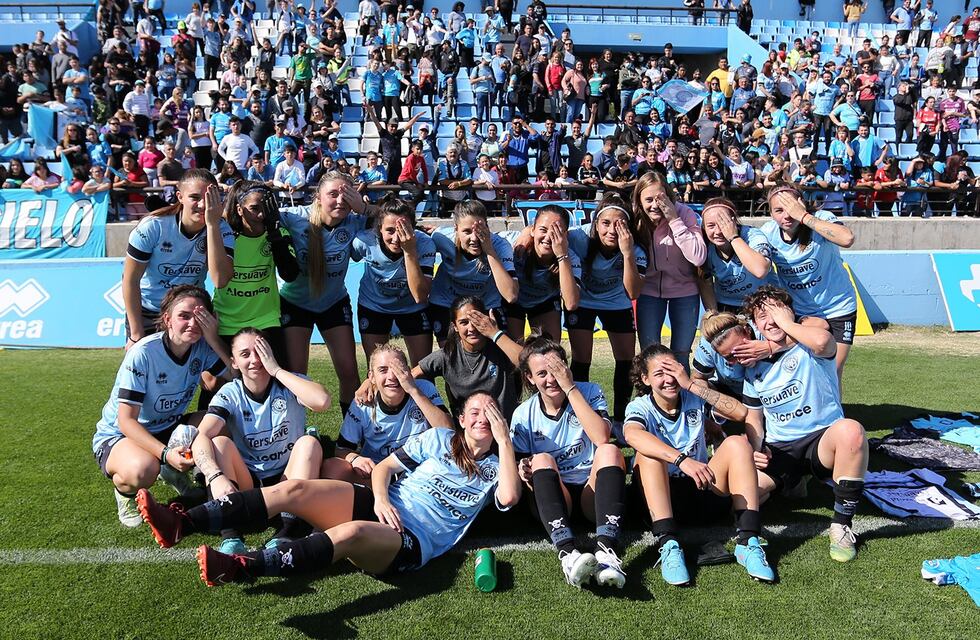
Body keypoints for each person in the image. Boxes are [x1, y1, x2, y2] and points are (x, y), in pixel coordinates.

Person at [137, 393, 521, 585]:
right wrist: (383, 498)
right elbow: (385, 468)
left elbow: (508, 497)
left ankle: (244, 566)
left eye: (490, 413)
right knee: (298, 489)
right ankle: (181, 523)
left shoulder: (498, 466)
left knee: (350, 533)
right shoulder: (439, 438)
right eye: (474, 411)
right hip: (385, 505)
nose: (481, 418)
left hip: (411, 537)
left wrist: (505, 443)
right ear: (461, 418)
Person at [706, 287, 868, 563]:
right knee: (740, 491)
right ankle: (789, 485)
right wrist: (757, 449)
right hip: (782, 449)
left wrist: (783, 327)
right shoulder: (753, 367)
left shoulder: (808, 340)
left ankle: (841, 525)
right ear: (753, 325)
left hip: (823, 441)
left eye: (774, 312)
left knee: (851, 431)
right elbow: (754, 416)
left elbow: (823, 341)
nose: (769, 321)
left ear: (789, 311)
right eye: (761, 316)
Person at [624, 343, 775, 585]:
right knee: (648, 454)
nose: (668, 380)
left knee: (737, 443)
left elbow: (740, 413)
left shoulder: (691, 395)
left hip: (702, 490)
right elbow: (632, 435)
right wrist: (682, 460)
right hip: (662, 501)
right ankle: (669, 544)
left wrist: (691, 384)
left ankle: (748, 541)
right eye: (659, 374)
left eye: (672, 370)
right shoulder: (640, 406)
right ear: (645, 378)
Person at [93, 285, 230, 527]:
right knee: (143, 470)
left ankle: (173, 472)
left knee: (223, 426)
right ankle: (124, 492)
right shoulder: (143, 353)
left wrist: (214, 338)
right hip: (121, 434)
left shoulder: (201, 348)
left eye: (199, 317)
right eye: (184, 316)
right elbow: (126, 421)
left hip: (169, 426)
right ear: (167, 319)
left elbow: (236, 375)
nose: (192, 323)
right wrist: (166, 454)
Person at [192, 328, 331, 554]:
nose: (254, 360)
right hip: (249, 483)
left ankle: (288, 530)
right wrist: (214, 476)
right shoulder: (231, 392)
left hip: (287, 480)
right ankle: (231, 535)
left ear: (270, 353)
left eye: (259, 351)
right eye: (245, 354)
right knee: (219, 443)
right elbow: (203, 435)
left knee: (310, 443)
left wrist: (276, 370)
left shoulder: (289, 382)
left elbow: (322, 401)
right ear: (234, 362)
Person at [511, 337, 628, 588]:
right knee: (541, 459)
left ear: (566, 367)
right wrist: (522, 469)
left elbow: (601, 436)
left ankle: (606, 551)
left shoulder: (590, 391)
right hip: (555, 498)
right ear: (530, 378)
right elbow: (519, 463)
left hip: (592, 493)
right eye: (542, 373)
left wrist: (570, 388)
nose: (551, 379)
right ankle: (567, 553)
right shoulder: (523, 413)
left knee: (610, 451)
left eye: (555, 370)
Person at [277, 171, 369, 418]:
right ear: (317, 197)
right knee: (297, 374)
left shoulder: (355, 221)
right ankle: (294, 432)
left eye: (346, 194)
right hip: (294, 304)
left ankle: (353, 432)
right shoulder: (295, 217)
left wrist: (365, 208)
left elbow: (393, 216)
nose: (340, 200)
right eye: (333, 194)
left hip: (334, 303)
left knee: (349, 370)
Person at [122, 169, 234, 348]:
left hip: (191, 313)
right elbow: (130, 279)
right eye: (195, 197)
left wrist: (212, 225)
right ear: (180, 197)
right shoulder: (153, 226)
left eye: (209, 197)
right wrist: (136, 333)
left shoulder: (222, 229)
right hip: (149, 311)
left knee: (210, 375)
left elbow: (220, 280)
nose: (203, 205)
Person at [760, 184, 857, 385]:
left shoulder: (822, 218)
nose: (786, 215)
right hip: (802, 310)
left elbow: (847, 238)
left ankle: (836, 415)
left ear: (801, 204)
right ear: (770, 213)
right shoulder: (768, 233)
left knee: (834, 369)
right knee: (804, 366)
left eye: (791, 208)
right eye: (778, 210)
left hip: (839, 307)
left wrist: (804, 216)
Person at [566, 194, 647, 431]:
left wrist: (628, 253)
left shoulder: (636, 248)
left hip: (616, 301)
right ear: (595, 224)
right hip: (583, 300)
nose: (612, 230)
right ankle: (580, 420)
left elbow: (632, 292)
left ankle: (620, 419)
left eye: (620, 224)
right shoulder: (578, 237)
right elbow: (543, 227)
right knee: (582, 359)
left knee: (626, 360)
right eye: (606, 223)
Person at [329, 343, 450, 483]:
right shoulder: (363, 403)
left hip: (419, 474)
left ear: (408, 372)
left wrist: (413, 391)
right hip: (376, 474)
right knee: (332, 468)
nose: (392, 376)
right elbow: (341, 450)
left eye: (398, 369)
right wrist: (355, 459)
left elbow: (448, 432)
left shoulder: (424, 389)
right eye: (383, 370)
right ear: (371, 377)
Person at [212, 180, 298, 365]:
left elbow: (290, 274)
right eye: (254, 208)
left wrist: (275, 235)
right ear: (240, 209)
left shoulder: (278, 234)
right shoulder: (226, 237)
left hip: (266, 321)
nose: (261, 214)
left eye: (266, 207)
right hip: (227, 322)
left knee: (278, 385)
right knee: (216, 386)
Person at [632, 171, 706, 370]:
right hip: (648, 292)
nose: (655, 205)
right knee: (649, 353)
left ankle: (683, 399)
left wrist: (674, 219)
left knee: (681, 353)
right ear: (639, 200)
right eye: (648, 200)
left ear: (669, 196)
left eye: (660, 198)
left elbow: (698, 256)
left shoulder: (684, 213)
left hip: (685, 291)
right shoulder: (635, 219)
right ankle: (648, 399)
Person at [351, 198, 436, 366]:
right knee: (377, 370)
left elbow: (420, 296)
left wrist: (410, 251)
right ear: (379, 229)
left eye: (403, 229)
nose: (397, 238)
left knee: (423, 370)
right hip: (374, 305)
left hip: (413, 306)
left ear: (413, 227)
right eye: (390, 230)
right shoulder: (363, 241)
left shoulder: (424, 243)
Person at [427, 200, 518, 346]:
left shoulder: (500, 245)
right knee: (452, 354)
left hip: (485, 303)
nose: (474, 238)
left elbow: (511, 295)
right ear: (456, 229)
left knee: (493, 356)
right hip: (446, 302)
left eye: (479, 230)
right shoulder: (441, 238)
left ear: (487, 227)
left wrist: (489, 251)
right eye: (467, 231)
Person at [502, 204, 581, 342]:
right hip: (513, 300)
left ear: (566, 235)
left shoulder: (571, 258)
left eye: (556, 232)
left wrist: (562, 256)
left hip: (545, 302)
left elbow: (571, 303)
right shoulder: (511, 244)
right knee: (512, 356)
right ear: (532, 230)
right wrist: (525, 231)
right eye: (543, 230)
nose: (548, 237)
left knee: (549, 354)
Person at [698, 197, 774, 313]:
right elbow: (705, 282)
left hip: (762, 300)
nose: (718, 231)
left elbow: (760, 270)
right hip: (726, 304)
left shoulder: (752, 235)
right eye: (711, 226)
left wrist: (733, 237)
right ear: (704, 227)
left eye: (723, 224)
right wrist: (713, 315)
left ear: (733, 221)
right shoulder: (705, 245)